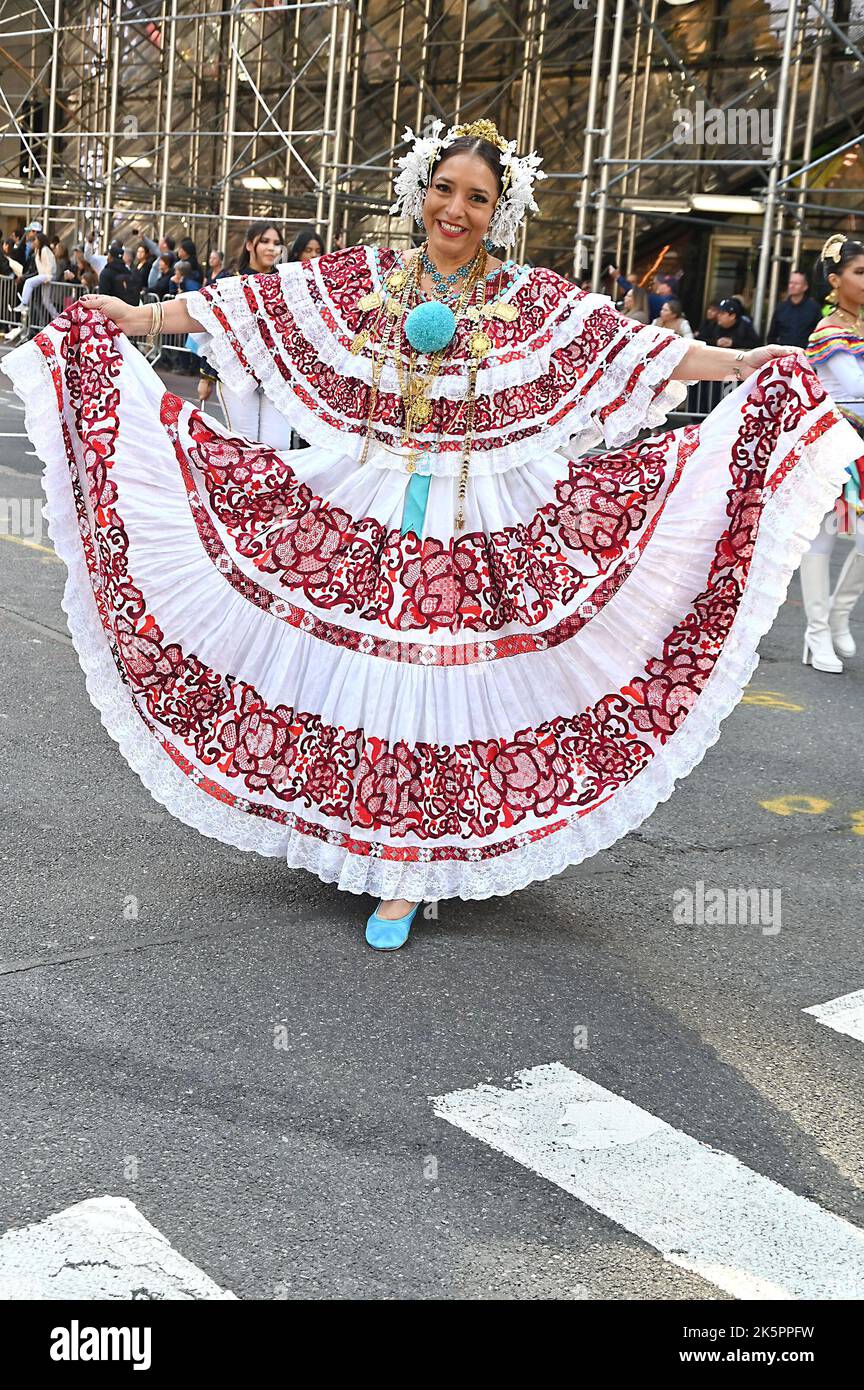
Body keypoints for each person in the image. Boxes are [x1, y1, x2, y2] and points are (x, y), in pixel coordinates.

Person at [3, 116, 861, 953]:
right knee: (359, 675)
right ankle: (366, 833)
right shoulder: (368, 277)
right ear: (422, 192)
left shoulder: (533, 300)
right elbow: (254, 306)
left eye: (478, 198)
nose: (456, 210)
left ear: (500, 211)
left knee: (438, 689)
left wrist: (742, 365)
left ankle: (406, 867)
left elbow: (636, 351)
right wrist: (140, 320)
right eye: (445, 190)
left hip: (484, 521)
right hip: (371, 504)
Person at [799, 235, 864, 673]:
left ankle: (840, 615)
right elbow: (857, 389)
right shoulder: (829, 331)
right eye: (860, 272)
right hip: (837, 446)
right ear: (835, 280)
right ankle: (816, 633)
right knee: (822, 536)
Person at [196, 220, 291, 448]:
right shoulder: (229, 280)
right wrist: (205, 376)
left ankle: (271, 485)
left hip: (275, 376)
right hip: (235, 375)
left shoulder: (285, 282)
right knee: (244, 444)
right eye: (265, 241)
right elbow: (212, 329)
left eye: (277, 243)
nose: (272, 248)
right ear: (250, 245)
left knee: (277, 446)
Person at [767, 270, 822, 348]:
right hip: (783, 355)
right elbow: (772, 336)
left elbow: (819, 335)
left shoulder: (814, 309)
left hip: (805, 355)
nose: (792, 286)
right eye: (790, 283)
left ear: (805, 287)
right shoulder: (781, 308)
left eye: (796, 284)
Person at [97, 241, 139, 305]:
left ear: (110, 257)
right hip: (128, 310)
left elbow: (103, 295)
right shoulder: (128, 271)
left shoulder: (106, 273)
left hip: (111, 310)